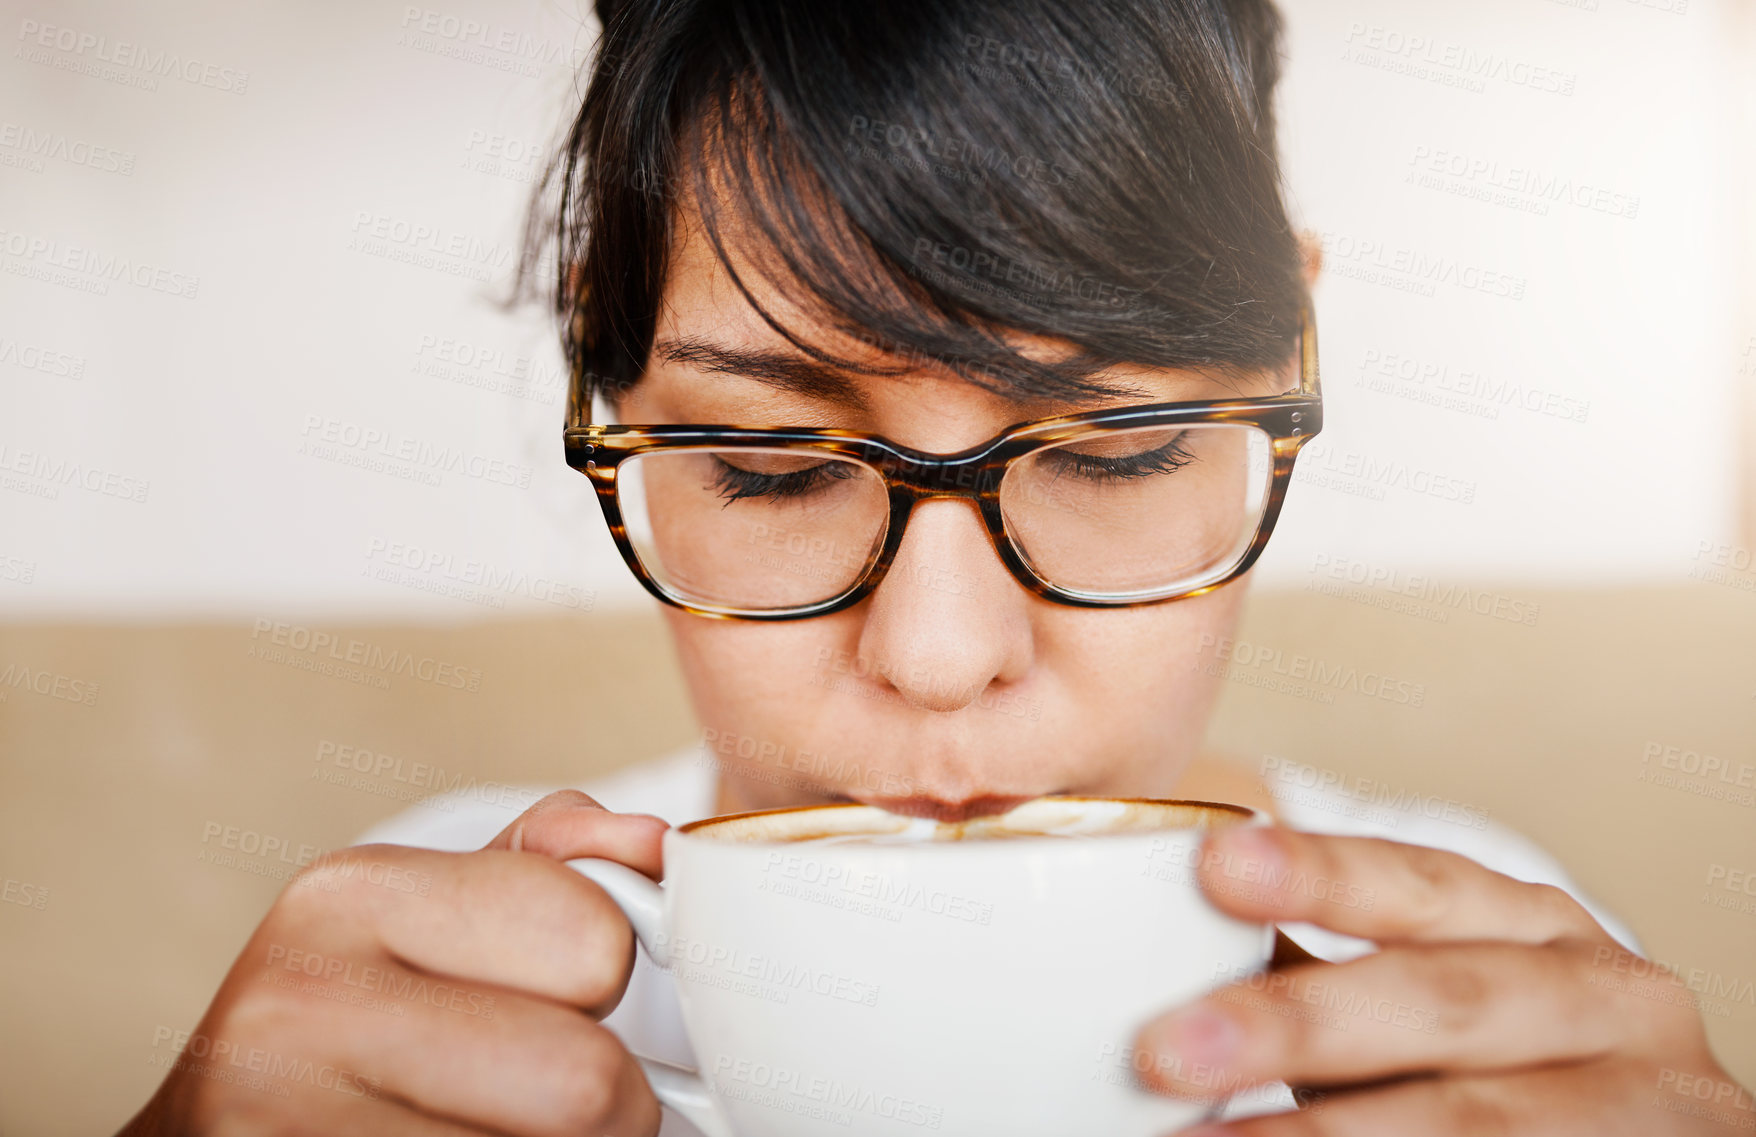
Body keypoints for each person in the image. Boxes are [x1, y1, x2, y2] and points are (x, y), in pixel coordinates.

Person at [121, 0, 1751, 1134]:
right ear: (613, 396)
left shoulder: (1480, 983)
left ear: (1295, 356)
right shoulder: (422, 991)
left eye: (1117, 450)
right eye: (772, 466)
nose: (942, 652)